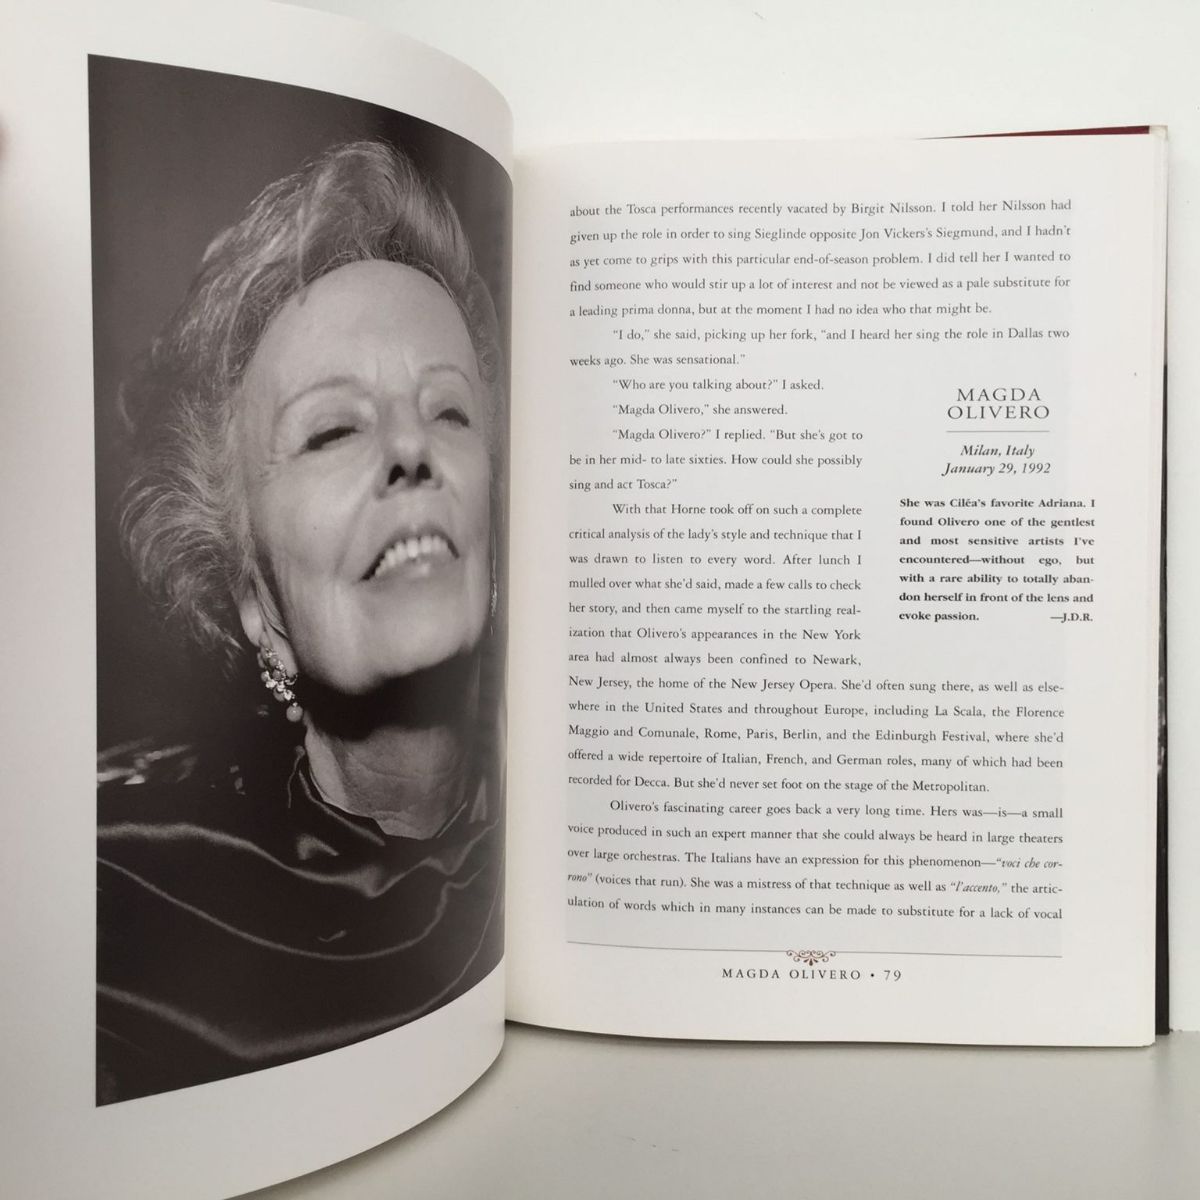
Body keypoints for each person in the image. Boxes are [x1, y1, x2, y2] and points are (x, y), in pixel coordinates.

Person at [96, 142, 506, 1104]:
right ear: (256, 602)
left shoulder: (587, 829)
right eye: (331, 430)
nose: (409, 447)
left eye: (450, 412)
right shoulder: (117, 901)